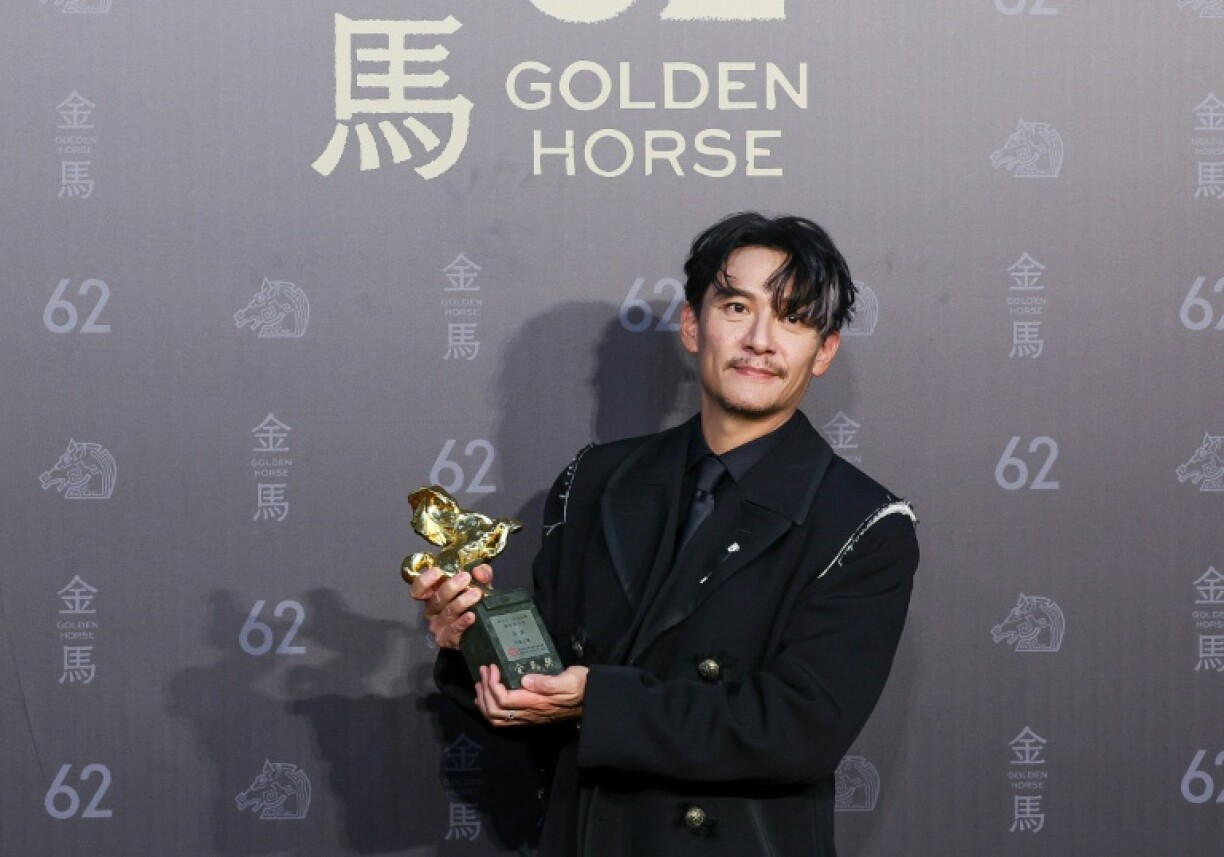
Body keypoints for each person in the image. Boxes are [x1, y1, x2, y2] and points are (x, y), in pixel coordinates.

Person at [411, 212, 919, 856]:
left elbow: (797, 732)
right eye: (737, 306)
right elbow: (542, 702)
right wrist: (470, 644)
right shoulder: (595, 481)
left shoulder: (863, 523)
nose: (761, 339)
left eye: (793, 317)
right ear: (692, 324)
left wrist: (598, 702)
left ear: (823, 351)